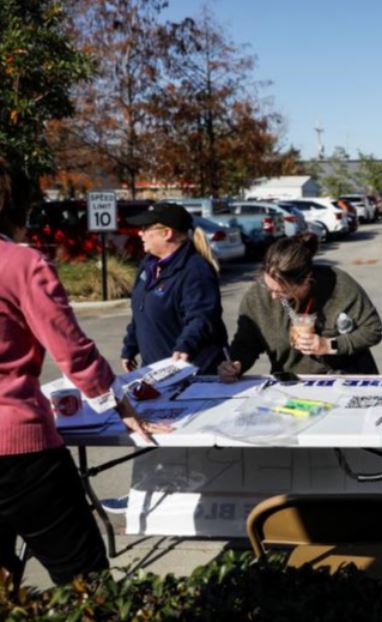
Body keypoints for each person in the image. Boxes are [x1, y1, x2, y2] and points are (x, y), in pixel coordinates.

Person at [0, 158, 168, 584]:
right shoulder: (19, 263)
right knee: (84, 579)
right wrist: (122, 405)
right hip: (18, 449)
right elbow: (72, 351)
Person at [219, 234, 382, 380]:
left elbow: (372, 329)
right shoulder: (257, 297)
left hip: (347, 380)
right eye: (270, 288)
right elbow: (246, 344)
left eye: (282, 291)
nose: (274, 296)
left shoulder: (338, 284)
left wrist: (329, 345)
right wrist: (235, 365)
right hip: (292, 384)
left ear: (307, 280)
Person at [121, 203, 228, 374]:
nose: (140, 234)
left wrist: (185, 346)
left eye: (146, 228)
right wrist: (130, 347)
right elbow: (141, 313)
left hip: (192, 373)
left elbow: (202, 317)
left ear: (167, 233)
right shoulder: (147, 265)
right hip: (156, 371)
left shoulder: (195, 270)